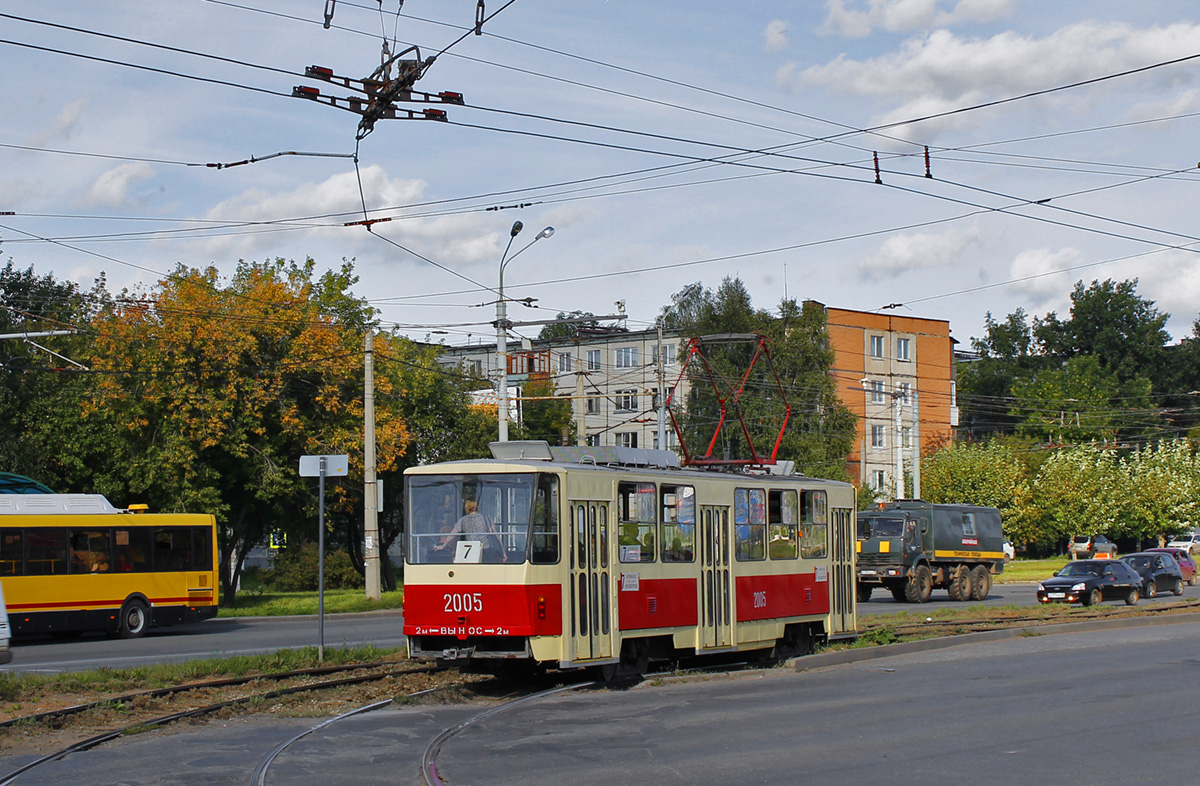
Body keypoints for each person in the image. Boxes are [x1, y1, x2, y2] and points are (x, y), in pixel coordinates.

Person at [435, 499, 507, 562]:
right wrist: (503, 553)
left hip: (471, 551)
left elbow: (452, 535)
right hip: (486, 551)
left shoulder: (463, 520)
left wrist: (443, 546)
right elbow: (496, 536)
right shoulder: (486, 518)